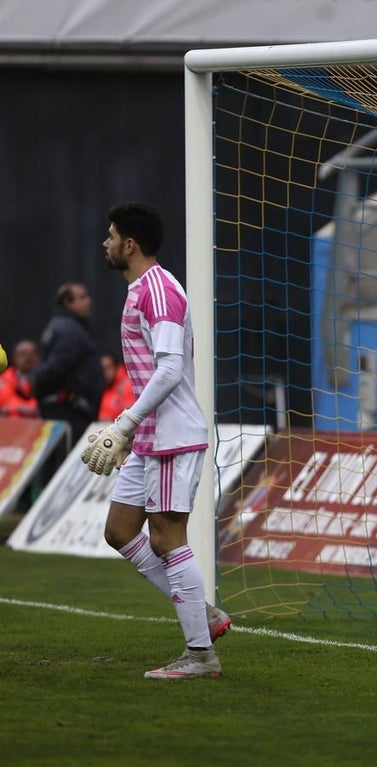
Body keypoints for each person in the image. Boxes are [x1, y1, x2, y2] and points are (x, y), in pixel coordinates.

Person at [83, 202, 230, 679]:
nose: (104, 243)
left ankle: (201, 655)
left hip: (171, 435)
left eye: (109, 236)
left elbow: (169, 370)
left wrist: (123, 424)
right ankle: (203, 613)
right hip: (150, 436)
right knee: (120, 532)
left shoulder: (161, 291)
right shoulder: (140, 290)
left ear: (130, 244)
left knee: (168, 540)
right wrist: (132, 432)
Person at [31, 281, 104, 444]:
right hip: (69, 414)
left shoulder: (65, 326)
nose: (89, 301)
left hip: (70, 411)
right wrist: (36, 382)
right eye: (82, 297)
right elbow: (56, 368)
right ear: (68, 303)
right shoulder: (68, 330)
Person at [0, 339, 41, 418]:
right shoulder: (2, 379)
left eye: (33, 353)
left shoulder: (46, 380)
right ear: (15, 357)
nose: (29, 357)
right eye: (24, 353)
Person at [98, 352, 134, 421]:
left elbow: (129, 418)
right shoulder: (107, 387)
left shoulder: (127, 386)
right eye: (103, 369)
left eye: (108, 368)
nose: (105, 373)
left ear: (116, 367)